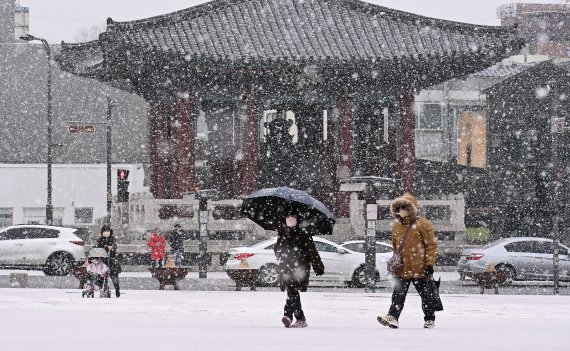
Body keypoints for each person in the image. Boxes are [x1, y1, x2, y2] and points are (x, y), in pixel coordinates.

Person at [377, 194, 438, 329]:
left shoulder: (423, 224)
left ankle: (429, 318)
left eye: (404, 207)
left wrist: (429, 264)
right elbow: (395, 248)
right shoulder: (397, 226)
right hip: (402, 268)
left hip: (420, 268)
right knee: (398, 294)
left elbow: (431, 246)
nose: (401, 210)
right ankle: (393, 317)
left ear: (411, 208)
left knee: (426, 295)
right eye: (399, 208)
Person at [274, 213, 325, 328]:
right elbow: (277, 250)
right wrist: (279, 245)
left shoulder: (304, 234)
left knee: (292, 290)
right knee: (292, 291)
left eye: (293, 217)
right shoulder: (283, 233)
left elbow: (312, 252)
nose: (290, 219)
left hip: (299, 267)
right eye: (287, 217)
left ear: (298, 220)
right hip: (286, 267)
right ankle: (297, 318)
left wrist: (318, 266)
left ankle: (291, 316)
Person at [95, 225, 122, 298]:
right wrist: (106, 247)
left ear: (110, 232)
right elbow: (97, 246)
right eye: (104, 231)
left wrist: (112, 247)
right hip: (102, 259)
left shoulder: (112, 239)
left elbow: (115, 246)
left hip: (111, 259)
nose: (106, 233)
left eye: (108, 231)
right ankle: (100, 286)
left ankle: (117, 289)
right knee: (100, 273)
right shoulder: (100, 239)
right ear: (102, 232)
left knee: (114, 275)